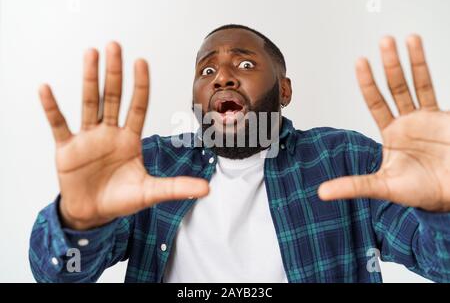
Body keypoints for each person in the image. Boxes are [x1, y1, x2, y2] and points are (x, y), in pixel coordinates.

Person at [29, 24, 450, 283]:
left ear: (283, 90)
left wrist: (441, 207)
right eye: (206, 70)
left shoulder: (345, 158)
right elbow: (58, 275)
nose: (222, 77)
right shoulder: (149, 166)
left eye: (245, 65)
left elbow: (442, 264)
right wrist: (78, 222)